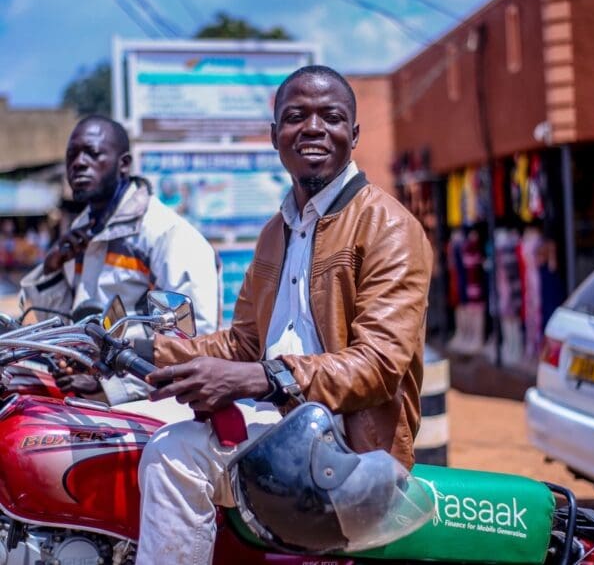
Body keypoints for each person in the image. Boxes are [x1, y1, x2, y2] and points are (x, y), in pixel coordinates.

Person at [134, 66, 433, 564]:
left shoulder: (389, 228)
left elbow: (379, 365)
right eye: (296, 117)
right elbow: (242, 343)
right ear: (275, 136)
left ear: (353, 135)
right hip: (283, 432)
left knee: (174, 456)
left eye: (331, 117)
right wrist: (143, 352)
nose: (313, 127)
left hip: (351, 456)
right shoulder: (278, 230)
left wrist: (259, 378)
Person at [20, 115, 219, 406]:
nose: (78, 163)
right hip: (89, 397)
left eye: (92, 153)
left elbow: (193, 341)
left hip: (148, 406)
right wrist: (51, 267)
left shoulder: (166, 234)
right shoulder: (81, 231)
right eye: (72, 155)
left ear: (123, 164)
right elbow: (58, 322)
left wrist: (110, 383)